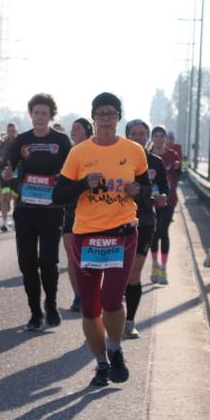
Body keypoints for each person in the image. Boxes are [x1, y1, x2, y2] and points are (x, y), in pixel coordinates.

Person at [53, 92, 150, 387]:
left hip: (122, 234)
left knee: (111, 300)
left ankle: (115, 348)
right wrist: (84, 184)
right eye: (101, 113)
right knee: (91, 307)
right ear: (93, 117)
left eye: (111, 112)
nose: (106, 117)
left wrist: (139, 191)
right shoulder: (79, 153)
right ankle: (101, 364)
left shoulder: (134, 151)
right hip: (87, 237)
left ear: (119, 116)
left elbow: (145, 191)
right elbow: (58, 196)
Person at [0, 93, 73, 330]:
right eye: (36, 113)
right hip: (26, 209)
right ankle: (35, 312)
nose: (40, 117)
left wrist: (63, 181)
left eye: (44, 113)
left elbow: (73, 170)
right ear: (30, 115)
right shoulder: (22, 140)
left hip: (52, 211)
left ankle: (51, 304)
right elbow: (7, 168)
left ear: (51, 116)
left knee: (49, 261)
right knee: (27, 262)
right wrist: (7, 175)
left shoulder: (61, 141)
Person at [122, 119, 168, 338]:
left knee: (133, 274)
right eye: (134, 133)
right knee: (116, 273)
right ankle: (112, 317)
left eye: (142, 134)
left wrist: (161, 198)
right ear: (127, 136)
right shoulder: (117, 160)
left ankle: (129, 322)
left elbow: (164, 191)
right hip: (117, 221)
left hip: (145, 222)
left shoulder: (156, 163)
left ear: (148, 137)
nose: (138, 137)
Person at [63, 118, 93, 311]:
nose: (73, 131)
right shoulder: (67, 153)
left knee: (90, 259)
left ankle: (92, 293)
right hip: (70, 210)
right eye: (72, 128)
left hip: (92, 213)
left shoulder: (94, 153)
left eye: (77, 128)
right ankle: (78, 297)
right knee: (72, 257)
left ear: (87, 132)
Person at [151, 125, 181, 284]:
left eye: (162, 136)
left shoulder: (172, 155)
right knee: (154, 234)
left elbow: (180, 174)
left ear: (166, 139)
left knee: (163, 231)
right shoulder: (147, 156)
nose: (159, 139)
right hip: (152, 201)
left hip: (169, 200)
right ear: (152, 139)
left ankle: (163, 269)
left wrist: (178, 167)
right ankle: (154, 264)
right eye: (156, 136)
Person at [0, 122, 19, 231]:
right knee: (5, 197)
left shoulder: (20, 142)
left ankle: (15, 221)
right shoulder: (3, 143)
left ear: (16, 131)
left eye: (13, 131)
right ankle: (4, 222)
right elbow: (0, 158)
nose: (11, 133)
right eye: (9, 131)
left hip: (17, 174)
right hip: (5, 174)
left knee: (16, 199)